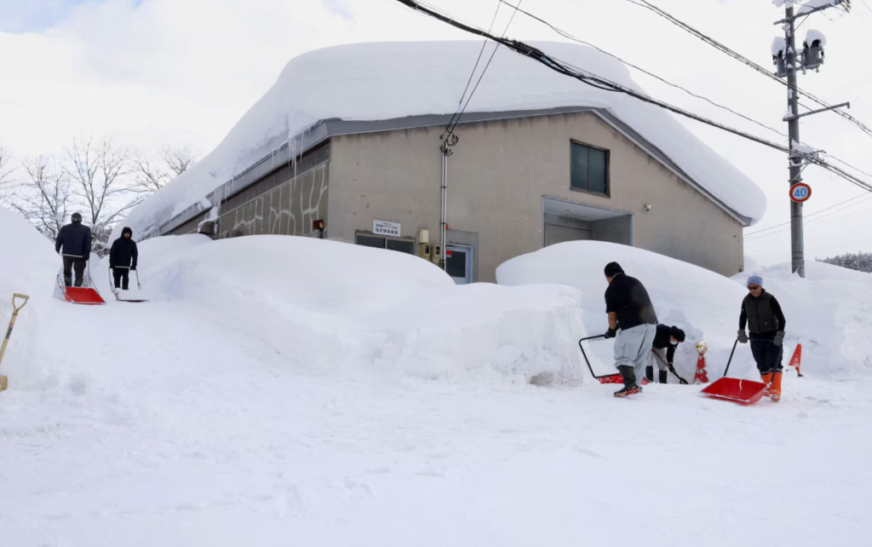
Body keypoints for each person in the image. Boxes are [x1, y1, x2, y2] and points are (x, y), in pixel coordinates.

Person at [603, 262, 658, 398]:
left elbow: (612, 315)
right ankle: (635, 386)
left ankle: (630, 385)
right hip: (651, 324)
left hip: (632, 325)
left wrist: (611, 330)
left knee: (623, 357)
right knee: (641, 357)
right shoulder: (635, 281)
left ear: (607, 276)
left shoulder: (612, 288)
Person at [738, 275, 787, 401]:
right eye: (749, 287)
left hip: (771, 334)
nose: (752, 290)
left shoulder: (770, 299)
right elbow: (743, 317)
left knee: (774, 361)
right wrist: (741, 331)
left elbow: (781, 318)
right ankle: (767, 388)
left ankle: (775, 389)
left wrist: (780, 334)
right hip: (755, 335)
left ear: (760, 286)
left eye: (754, 287)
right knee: (761, 363)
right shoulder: (746, 300)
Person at [55, 212, 92, 287]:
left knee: (67, 272)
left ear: (72, 219)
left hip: (67, 254)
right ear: (80, 220)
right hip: (80, 256)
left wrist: (56, 251)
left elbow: (59, 241)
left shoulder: (64, 228)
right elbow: (87, 242)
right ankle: (76, 289)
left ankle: (68, 288)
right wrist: (86, 253)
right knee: (79, 274)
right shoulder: (86, 229)